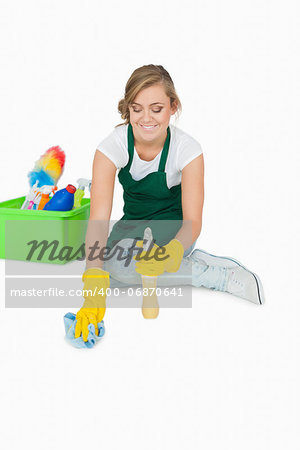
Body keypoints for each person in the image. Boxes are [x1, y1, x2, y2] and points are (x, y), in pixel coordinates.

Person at [74, 64, 265, 342]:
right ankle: (183, 263)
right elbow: (99, 218)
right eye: (137, 108)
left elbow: (193, 222)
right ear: (128, 109)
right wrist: (92, 287)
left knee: (127, 269)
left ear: (172, 107)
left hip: (175, 231)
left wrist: (174, 250)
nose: (146, 118)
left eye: (157, 108)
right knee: (105, 270)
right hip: (133, 227)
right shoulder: (111, 147)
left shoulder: (187, 149)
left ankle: (216, 275)